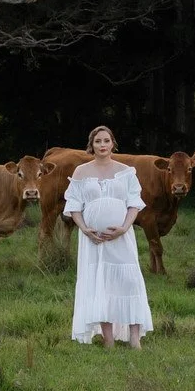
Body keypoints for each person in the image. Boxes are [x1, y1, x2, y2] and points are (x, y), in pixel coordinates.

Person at [63, 124, 153, 347]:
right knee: (100, 283)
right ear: (91, 145)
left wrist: (124, 227)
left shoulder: (126, 171)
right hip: (94, 240)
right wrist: (84, 229)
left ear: (113, 143)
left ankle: (134, 337)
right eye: (97, 141)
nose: (102, 145)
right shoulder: (81, 172)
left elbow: (134, 203)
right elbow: (74, 205)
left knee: (129, 281)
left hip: (121, 237)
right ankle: (108, 339)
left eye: (106, 141)